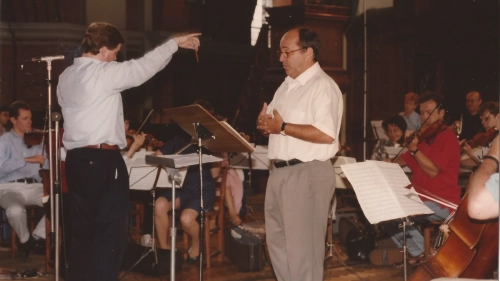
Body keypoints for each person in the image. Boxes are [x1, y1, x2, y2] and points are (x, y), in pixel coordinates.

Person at [56, 21, 200, 281]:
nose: (115, 59)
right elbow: (142, 68)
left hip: (75, 161)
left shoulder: (66, 77)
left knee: (82, 233)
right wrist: (173, 43)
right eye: (114, 53)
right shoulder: (103, 74)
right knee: (109, 234)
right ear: (102, 50)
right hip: (102, 159)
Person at [256, 27, 343, 281]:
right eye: (280, 52)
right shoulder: (285, 86)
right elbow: (273, 124)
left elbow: (327, 134)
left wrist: (281, 127)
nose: (281, 58)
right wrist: (264, 125)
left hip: (307, 174)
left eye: (286, 52)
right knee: (279, 250)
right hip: (279, 174)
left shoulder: (323, 87)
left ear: (308, 52)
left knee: (304, 256)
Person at [390, 91, 461, 263]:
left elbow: (433, 171)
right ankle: (423, 251)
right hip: (420, 199)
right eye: (422, 113)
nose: (425, 117)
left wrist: (415, 150)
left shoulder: (448, 138)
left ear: (441, 113)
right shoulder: (422, 139)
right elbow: (401, 160)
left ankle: (427, 253)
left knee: (400, 212)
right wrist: (384, 163)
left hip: (442, 202)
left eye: (429, 112)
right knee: (386, 211)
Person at [153, 136, 217, 264]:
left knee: (186, 219)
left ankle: (197, 243)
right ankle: (165, 250)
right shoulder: (177, 142)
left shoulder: (211, 145)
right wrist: (169, 164)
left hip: (203, 189)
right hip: (180, 188)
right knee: (159, 205)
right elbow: (155, 157)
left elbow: (215, 174)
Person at [0, 101, 48, 258]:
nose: (30, 122)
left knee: (58, 202)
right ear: (14, 120)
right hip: (9, 187)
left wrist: (45, 157)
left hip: (35, 187)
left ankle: (36, 238)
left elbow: (45, 167)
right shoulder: (4, 140)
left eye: (31, 118)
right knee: (15, 210)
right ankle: (25, 239)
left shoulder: (37, 139)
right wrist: (27, 160)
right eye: (25, 118)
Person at [460, 101, 499, 169]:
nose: (483, 123)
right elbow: (481, 158)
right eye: (482, 120)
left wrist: (471, 153)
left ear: (498, 116)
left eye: (487, 119)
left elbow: (488, 165)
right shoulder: (494, 136)